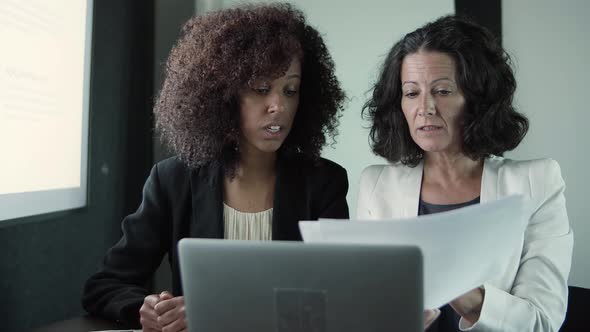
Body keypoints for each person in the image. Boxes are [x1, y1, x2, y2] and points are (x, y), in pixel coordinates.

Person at [82, 4, 349, 332]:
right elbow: (105, 285)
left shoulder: (324, 182)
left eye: (290, 90)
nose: (278, 105)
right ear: (222, 95)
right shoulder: (172, 180)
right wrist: (146, 309)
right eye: (261, 89)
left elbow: (336, 294)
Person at [358, 15, 573, 332]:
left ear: (477, 99)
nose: (426, 107)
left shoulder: (538, 182)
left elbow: (542, 322)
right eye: (412, 93)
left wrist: (461, 290)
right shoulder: (376, 184)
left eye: (443, 91)